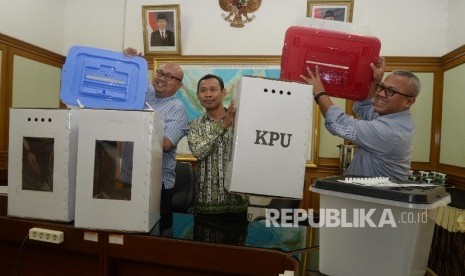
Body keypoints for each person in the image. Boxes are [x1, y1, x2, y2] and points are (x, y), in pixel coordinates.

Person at [300, 57, 421, 181]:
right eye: (381, 87)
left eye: (390, 91)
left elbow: (338, 123)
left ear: (409, 101)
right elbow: (364, 107)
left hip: (373, 198)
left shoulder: (391, 131)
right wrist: (374, 81)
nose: (380, 94)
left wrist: (319, 92)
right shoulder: (390, 117)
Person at [120, 47, 188, 213]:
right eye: (160, 73)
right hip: (129, 179)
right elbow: (133, 75)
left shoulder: (177, 109)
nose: (162, 79)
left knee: (155, 232)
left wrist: (132, 126)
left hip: (157, 184)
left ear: (179, 85)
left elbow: (165, 144)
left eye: (169, 77)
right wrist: (133, 59)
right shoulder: (147, 95)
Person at [187, 74, 249, 220]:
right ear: (198, 95)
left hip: (237, 204)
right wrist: (223, 126)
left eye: (213, 89)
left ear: (223, 92)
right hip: (207, 205)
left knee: (236, 243)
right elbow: (198, 152)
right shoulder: (195, 125)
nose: (208, 94)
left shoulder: (241, 120)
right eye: (203, 90)